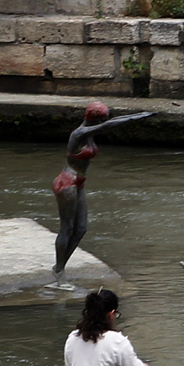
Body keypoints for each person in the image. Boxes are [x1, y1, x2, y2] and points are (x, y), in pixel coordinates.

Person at [49, 102, 154, 289]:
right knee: (67, 228)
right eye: (101, 118)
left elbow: (111, 122)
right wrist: (136, 118)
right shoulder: (79, 134)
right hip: (67, 182)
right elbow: (108, 126)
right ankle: (60, 271)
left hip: (79, 182)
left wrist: (142, 113)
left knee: (81, 229)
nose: (104, 121)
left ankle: (59, 267)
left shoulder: (90, 133)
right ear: (94, 118)